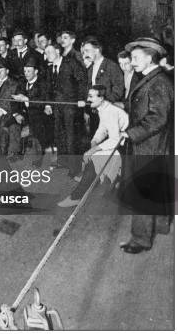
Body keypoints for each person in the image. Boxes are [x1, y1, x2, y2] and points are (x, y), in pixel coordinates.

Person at [119, 37, 174, 254]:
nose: (132, 62)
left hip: (149, 145)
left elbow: (158, 118)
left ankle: (140, 240)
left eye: (135, 58)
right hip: (154, 144)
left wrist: (130, 133)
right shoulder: (152, 78)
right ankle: (160, 224)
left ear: (150, 57)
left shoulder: (159, 82)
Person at [57, 85, 128, 207]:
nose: (87, 99)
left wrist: (94, 149)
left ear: (101, 98)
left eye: (91, 96)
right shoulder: (104, 108)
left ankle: (77, 197)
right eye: (88, 96)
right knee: (91, 154)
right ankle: (91, 180)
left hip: (125, 146)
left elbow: (115, 139)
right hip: (118, 143)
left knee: (94, 158)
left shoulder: (110, 112)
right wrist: (94, 143)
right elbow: (102, 129)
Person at [45, 43, 87, 178]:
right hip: (57, 107)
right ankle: (63, 162)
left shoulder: (71, 63)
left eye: (49, 52)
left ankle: (75, 168)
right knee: (59, 135)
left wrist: (81, 99)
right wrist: (48, 104)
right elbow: (48, 89)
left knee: (71, 136)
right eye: (45, 53)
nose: (47, 55)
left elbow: (82, 81)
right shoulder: (50, 68)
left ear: (58, 51)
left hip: (71, 106)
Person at [12, 58, 51, 167]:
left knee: (37, 127)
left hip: (38, 113)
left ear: (36, 71)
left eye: (29, 71)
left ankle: (39, 157)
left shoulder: (42, 84)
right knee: (10, 123)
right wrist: (16, 114)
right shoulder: (22, 82)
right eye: (25, 71)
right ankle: (17, 152)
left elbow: (42, 103)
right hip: (23, 113)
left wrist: (27, 100)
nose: (26, 74)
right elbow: (14, 100)